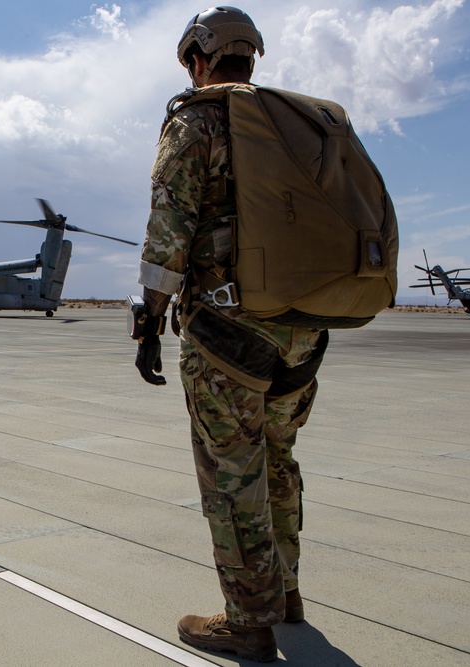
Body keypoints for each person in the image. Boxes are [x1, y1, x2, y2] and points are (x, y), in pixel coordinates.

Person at [134, 7, 329, 662]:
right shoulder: (297, 127)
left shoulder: (196, 120)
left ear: (198, 57)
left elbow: (170, 221)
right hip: (302, 336)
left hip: (229, 336)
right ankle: (287, 594)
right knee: (278, 457)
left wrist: (147, 316)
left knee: (231, 470)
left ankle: (249, 620)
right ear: (253, 58)